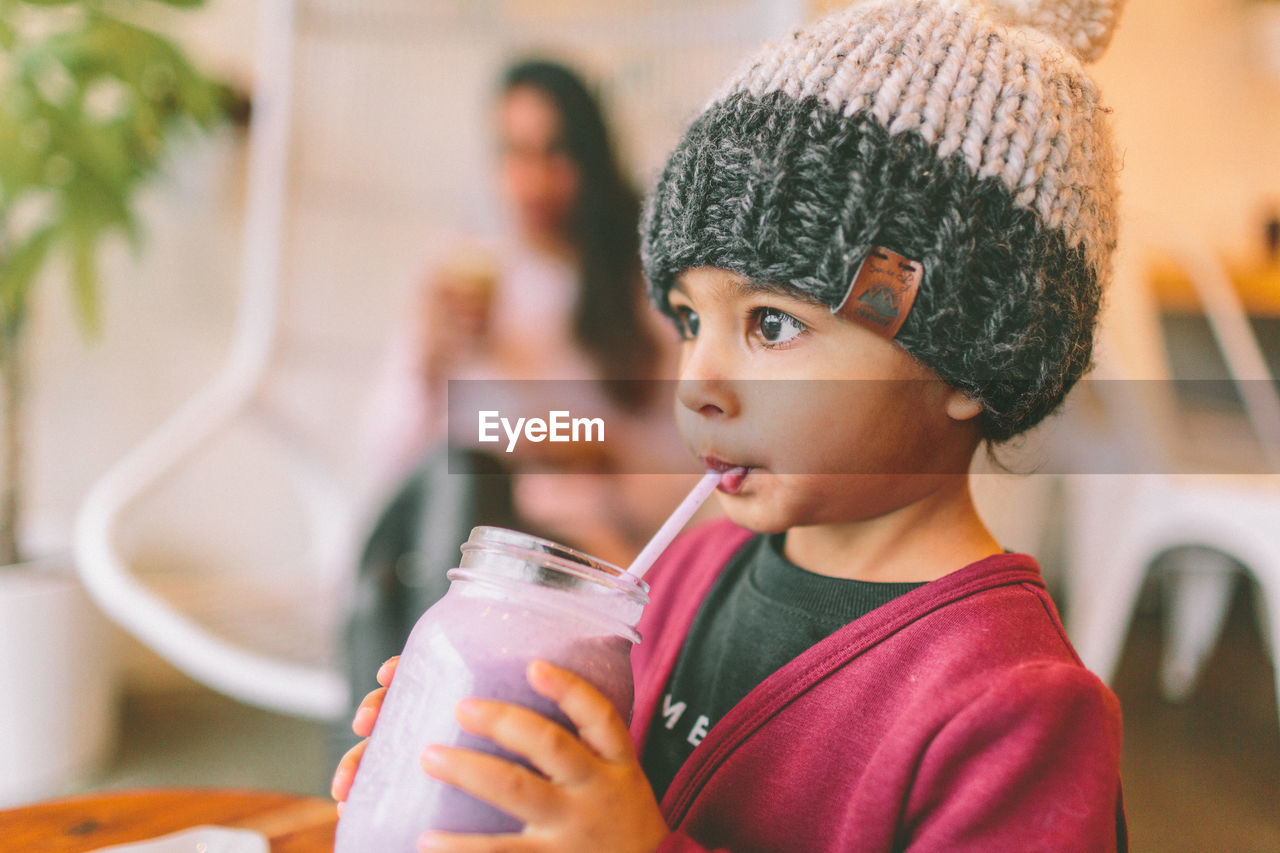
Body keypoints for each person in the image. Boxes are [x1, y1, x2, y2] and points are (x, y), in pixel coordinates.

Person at [333, 0, 1128, 849]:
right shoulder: (683, 578)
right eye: (687, 319)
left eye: (772, 323)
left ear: (967, 353)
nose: (699, 383)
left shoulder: (1018, 709)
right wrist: (499, 783)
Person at [359, 58, 691, 566]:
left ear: (591, 159)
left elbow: (683, 481)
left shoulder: (638, 288)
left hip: (575, 544)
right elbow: (384, 462)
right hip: (452, 534)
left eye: (555, 152)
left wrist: (583, 443)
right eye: (514, 153)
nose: (532, 180)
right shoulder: (461, 273)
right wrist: (428, 361)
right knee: (464, 478)